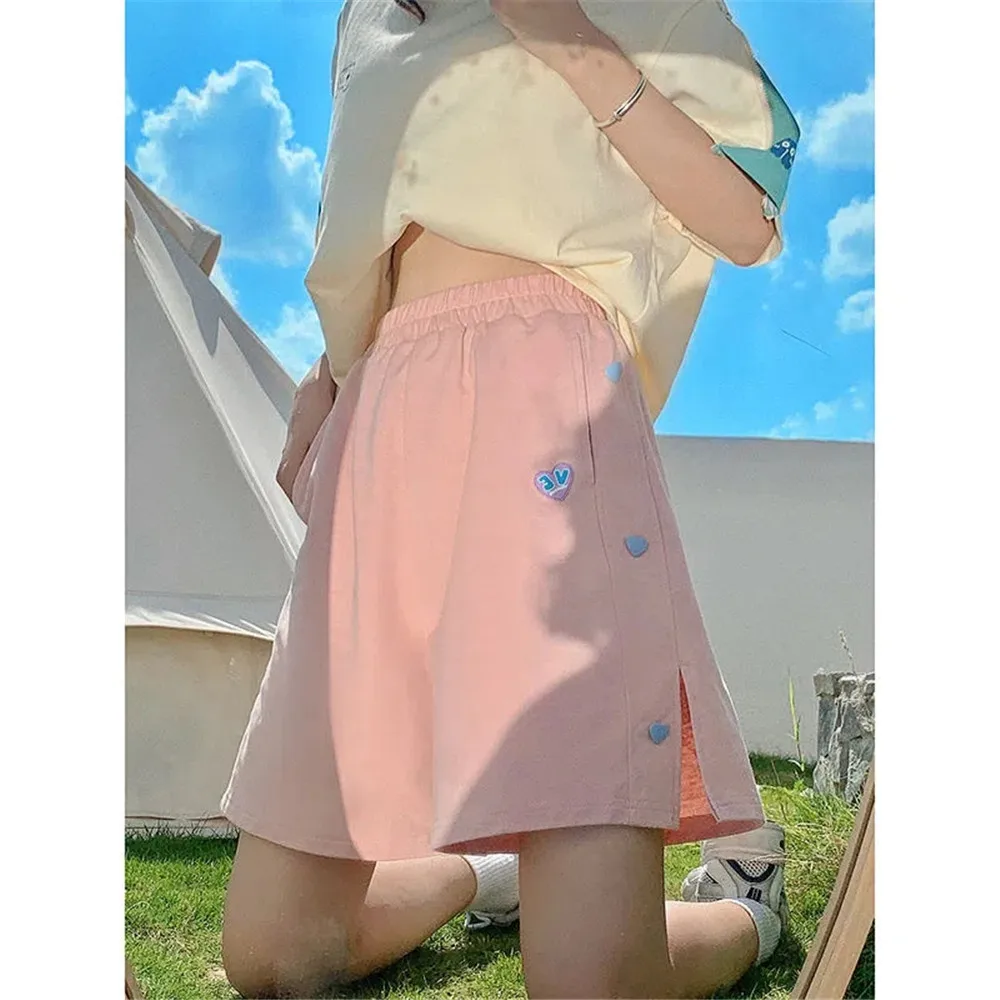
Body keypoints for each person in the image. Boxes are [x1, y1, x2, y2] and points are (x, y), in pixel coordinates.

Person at [220, 1, 800, 997]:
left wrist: (561, 29)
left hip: (541, 397)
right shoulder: (368, 17)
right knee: (274, 960)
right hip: (386, 408)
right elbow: (378, 209)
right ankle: (485, 875)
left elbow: (750, 214)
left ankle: (746, 910)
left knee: (587, 983)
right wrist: (330, 377)